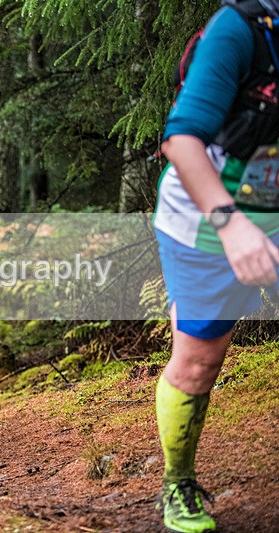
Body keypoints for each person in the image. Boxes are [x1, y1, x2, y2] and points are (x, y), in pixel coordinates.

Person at [153, 1, 279, 531]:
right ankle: (177, 484)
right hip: (206, 219)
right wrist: (231, 224)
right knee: (201, 361)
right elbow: (180, 139)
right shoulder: (242, 28)